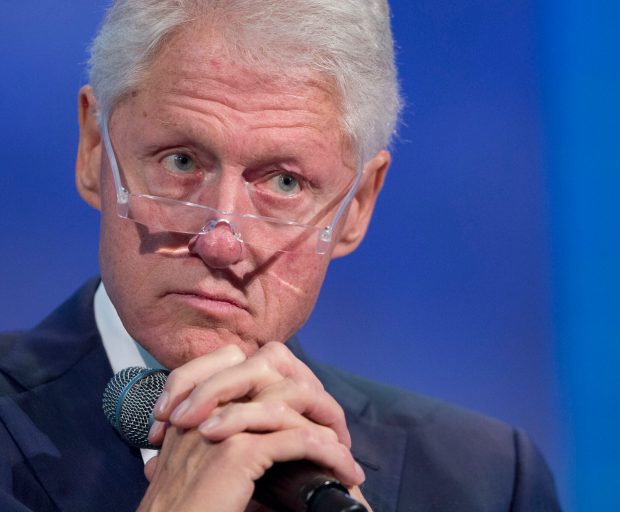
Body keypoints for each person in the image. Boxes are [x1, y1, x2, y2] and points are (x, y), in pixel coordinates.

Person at [0, 1, 560, 510]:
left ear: (358, 206)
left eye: (285, 183)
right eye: (180, 162)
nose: (221, 243)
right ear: (94, 149)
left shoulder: (486, 482)